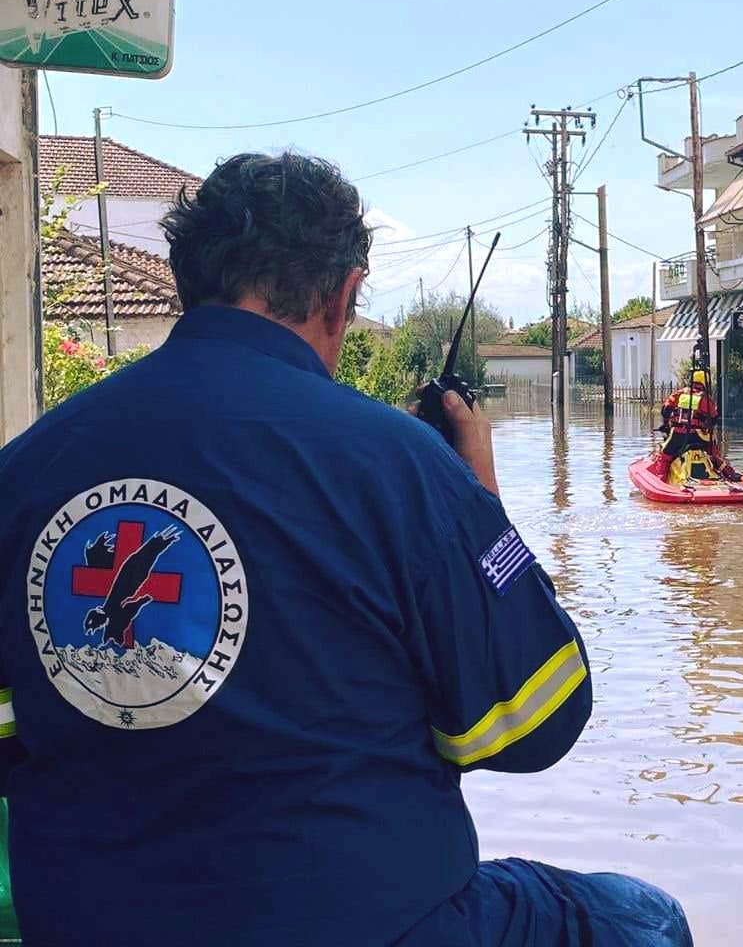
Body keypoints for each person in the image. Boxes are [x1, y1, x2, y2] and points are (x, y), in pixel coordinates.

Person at [0, 152, 693, 947]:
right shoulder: (401, 466)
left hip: (89, 923)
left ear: (188, 278)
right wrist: (480, 503)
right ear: (344, 296)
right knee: (646, 920)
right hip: (372, 923)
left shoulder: (25, 470)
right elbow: (536, 726)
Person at [651, 368, 742, 482]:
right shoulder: (705, 399)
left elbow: (665, 411)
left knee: (664, 455)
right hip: (699, 437)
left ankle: (660, 481)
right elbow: (714, 418)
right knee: (714, 455)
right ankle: (730, 473)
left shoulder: (679, 393)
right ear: (705, 383)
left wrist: (668, 423)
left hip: (678, 435)